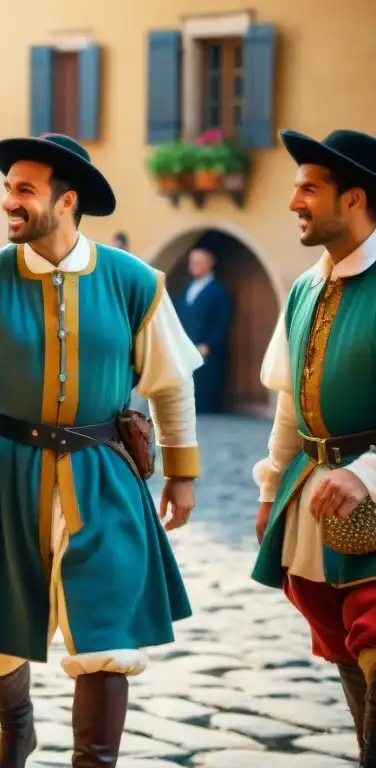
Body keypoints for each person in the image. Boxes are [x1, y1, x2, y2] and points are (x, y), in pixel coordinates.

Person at [0, 133, 202, 768]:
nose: (8, 202)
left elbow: (170, 381)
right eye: (7, 189)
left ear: (66, 200)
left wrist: (182, 474)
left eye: (24, 190)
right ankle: (15, 728)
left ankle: (93, 762)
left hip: (104, 474)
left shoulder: (135, 282)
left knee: (105, 626)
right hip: (2, 469)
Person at [252, 129, 376, 767]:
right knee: (344, 650)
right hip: (311, 504)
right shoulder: (304, 287)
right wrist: (272, 488)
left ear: (353, 198)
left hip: (372, 504)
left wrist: (369, 475)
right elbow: (287, 398)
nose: (294, 200)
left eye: (309, 188)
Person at [174, 247, 233, 413]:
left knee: (205, 396)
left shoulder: (218, 291)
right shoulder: (186, 289)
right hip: (186, 348)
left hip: (207, 351)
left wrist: (208, 345)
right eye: (192, 262)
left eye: (199, 262)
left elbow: (221, 321)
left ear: (210, 264)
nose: (195, 265)